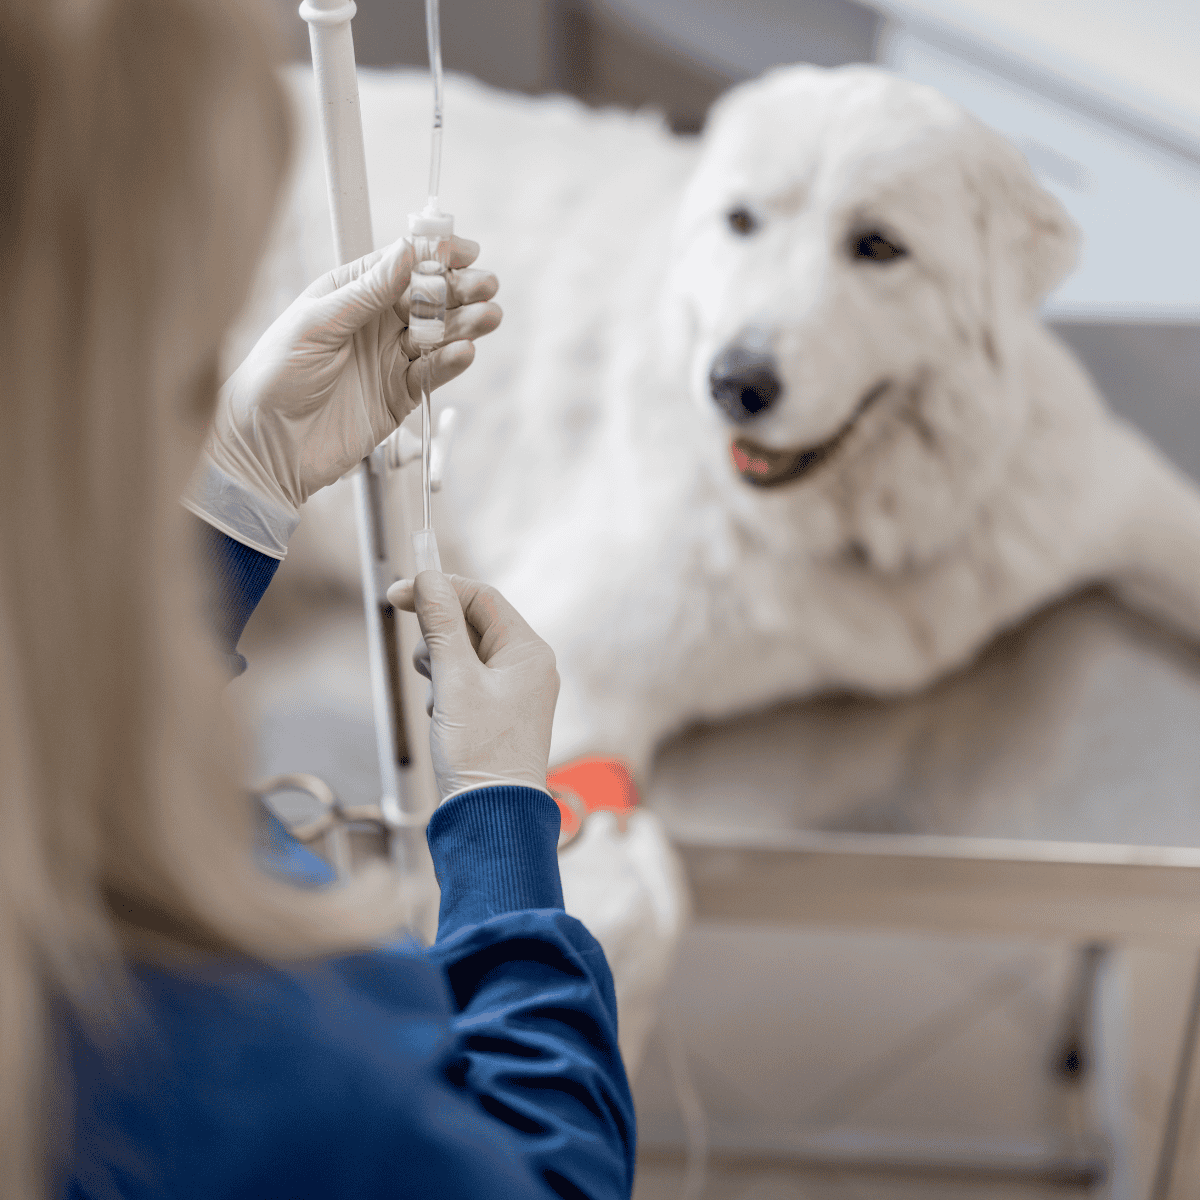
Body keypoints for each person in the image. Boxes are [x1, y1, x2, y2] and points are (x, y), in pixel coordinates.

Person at [0, 1, 635, 1197]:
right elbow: (543, 1179)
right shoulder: (234, 1040)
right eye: (187, 368)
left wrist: (242, 483)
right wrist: (503, 819)